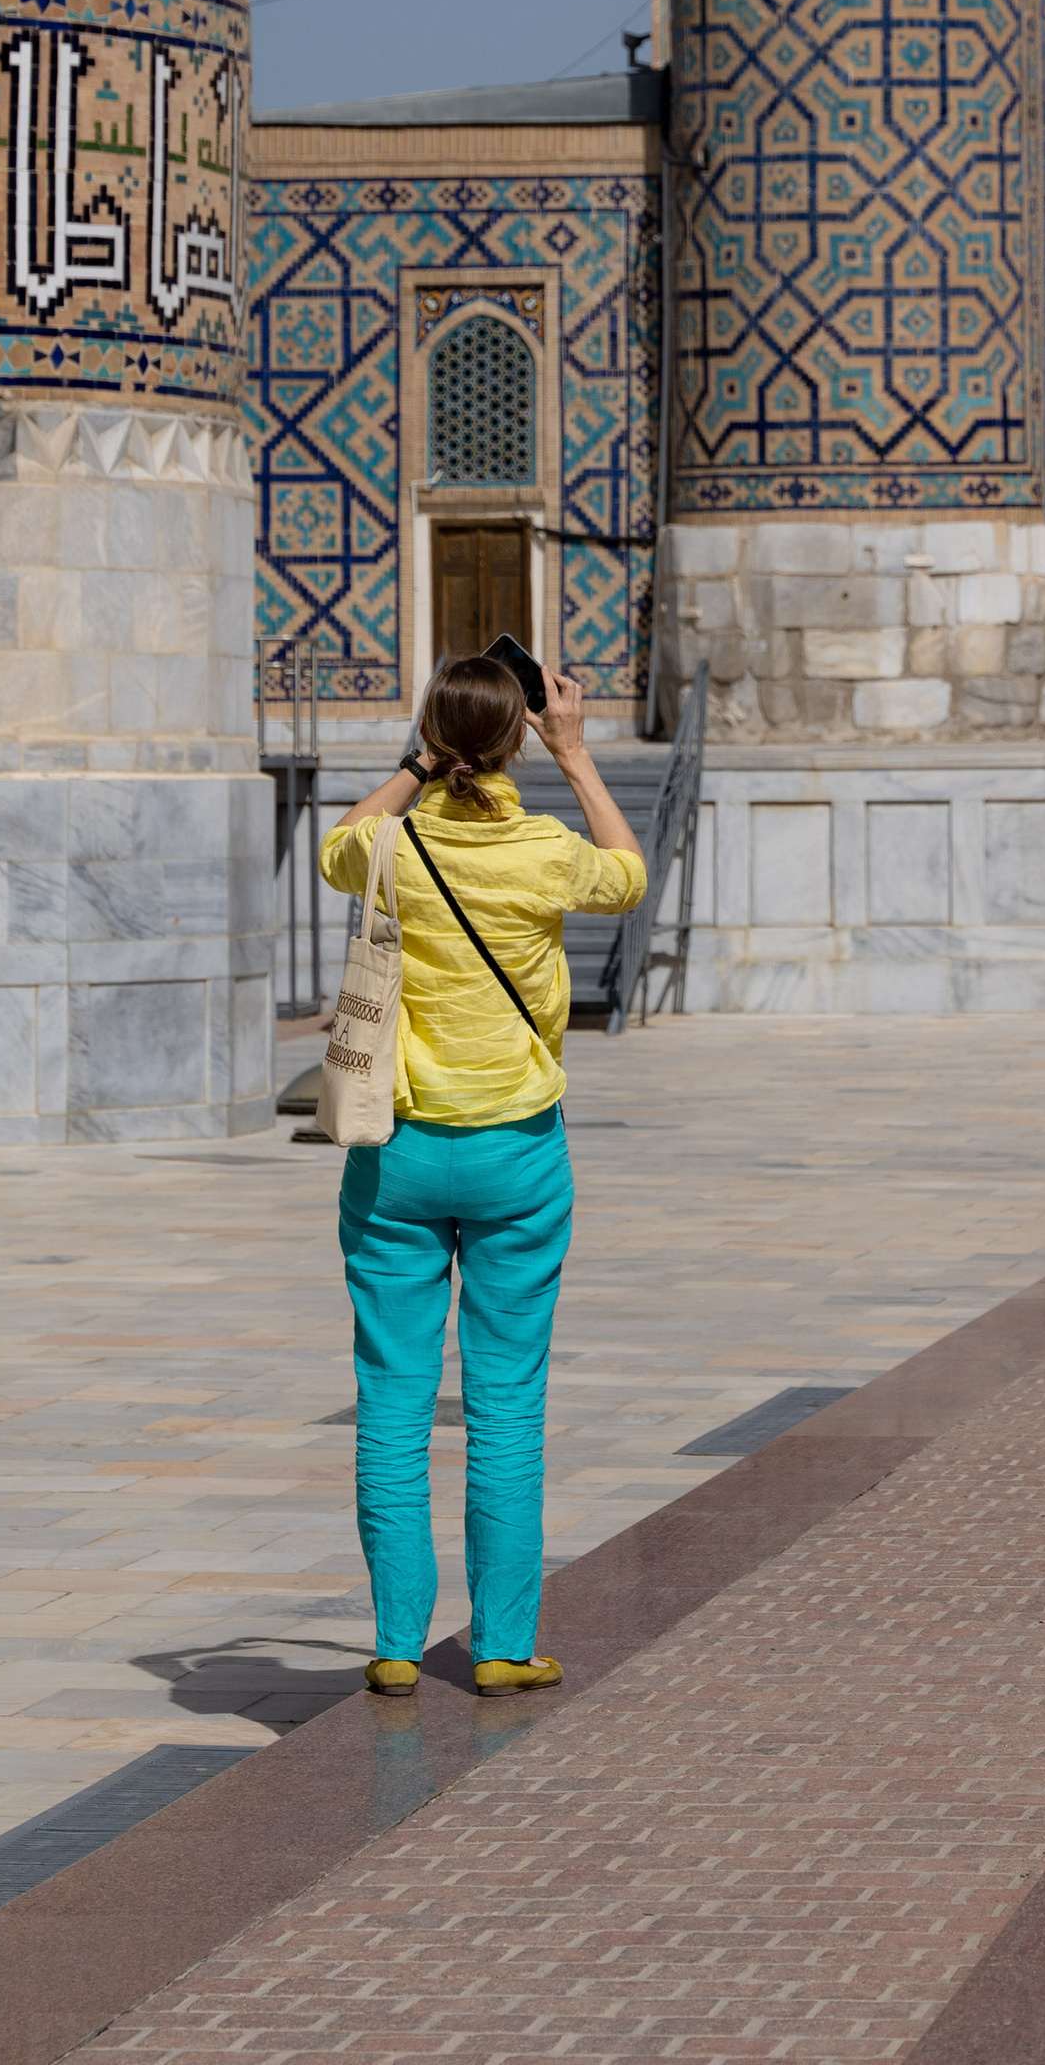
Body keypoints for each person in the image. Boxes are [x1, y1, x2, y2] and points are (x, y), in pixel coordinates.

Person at [318, 654, 646, 1697]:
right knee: (505, 1405)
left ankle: (396, 1645)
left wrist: (417, 763)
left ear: (435, 739)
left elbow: (334, 842)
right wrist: (577, 752)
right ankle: (502, 1646)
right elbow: (627, 875)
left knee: (393, 1403)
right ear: (513, 742)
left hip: (397, 1154)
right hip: (516, 1152)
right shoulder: (546, 852)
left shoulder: (390, 849)